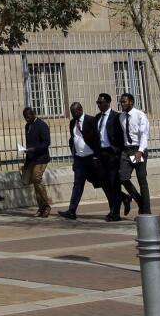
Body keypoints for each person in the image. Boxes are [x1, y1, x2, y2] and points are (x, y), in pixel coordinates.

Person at [92, 92, 129, 221]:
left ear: (108, 103)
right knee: (105, 183)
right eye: (97, 102)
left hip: (112, 154)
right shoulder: (97, 118)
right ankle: (118, 203)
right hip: (101, 154)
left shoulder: (116, 117)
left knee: (114, 183)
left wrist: (118, 151)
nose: (98, 105)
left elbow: (121, 136)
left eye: (100, 102)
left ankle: (115, 213)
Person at [60, 102, 99, 220]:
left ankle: (123, 198)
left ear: (80, 110)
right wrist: (74, 156)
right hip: (79, 160)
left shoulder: (91, 120)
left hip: (91, 158)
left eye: (74, 112)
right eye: (71, 113)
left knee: (101, 182)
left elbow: (97, 140)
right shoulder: (72, 123)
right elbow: (73, 139)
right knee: (77, 185)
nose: (73, 115)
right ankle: (72, 211)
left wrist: (97, 156)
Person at [118, 92, 152, 215]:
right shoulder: (121, 117)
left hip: (138, 151)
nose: (122, 104)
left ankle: (146, 211)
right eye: (121, 101)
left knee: (141, 180)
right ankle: (139, 200)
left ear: (131, 102)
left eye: (124, 101)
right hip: (127, 151)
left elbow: (144, 134)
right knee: (122, 177)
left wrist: (140, 151)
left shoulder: (140, 115)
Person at [20, 107, 51, 217]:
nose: (27, 119)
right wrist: (27, 160)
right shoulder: (27, 126)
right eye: (25, 118)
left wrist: (35, 149)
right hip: (32, 158)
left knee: (37, 178)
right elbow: (29, 143)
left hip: (41, 157)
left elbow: (47, 142)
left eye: (28, 117)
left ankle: (46, 206)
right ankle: (41, 208)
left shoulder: (41, 125)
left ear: (33, 114)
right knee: (35, 182)